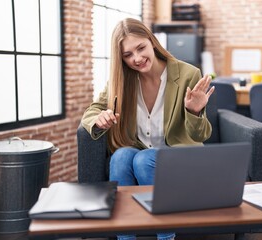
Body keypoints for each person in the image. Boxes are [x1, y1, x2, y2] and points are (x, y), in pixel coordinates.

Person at [81, 18, 214, 240]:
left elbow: (201, 135)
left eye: (140, 48)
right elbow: (93, 109)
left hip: (177, 157)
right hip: (139, 151)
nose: (137, 58)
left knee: (144, 159)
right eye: (128, 55)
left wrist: (194, 111)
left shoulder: (188, 74)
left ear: (152, 41)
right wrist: (99, 118)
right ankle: (125, 237)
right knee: (121, 156)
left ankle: (166, 237)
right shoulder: (121, 80)